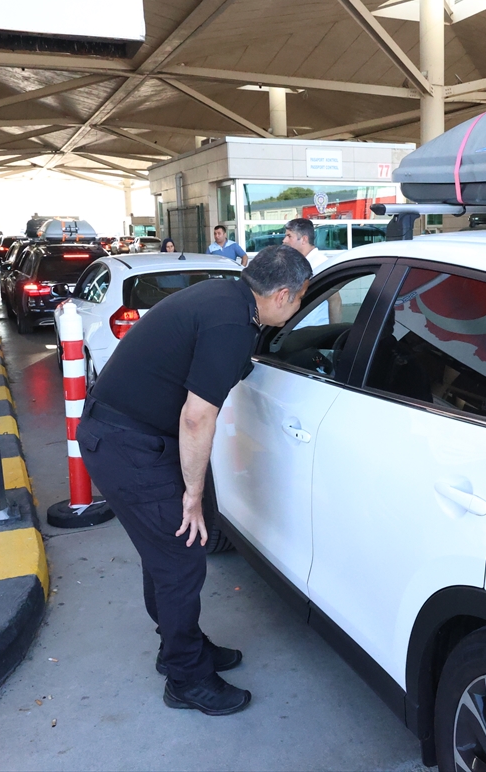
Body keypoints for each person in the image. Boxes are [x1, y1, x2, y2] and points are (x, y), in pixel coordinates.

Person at [76, 244, 311, 716]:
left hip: (126, 435)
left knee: (165, 553)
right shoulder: (230, 322)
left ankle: (182, 648)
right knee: (181, 557)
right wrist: (194, 494)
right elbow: (197, 417)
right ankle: (186, 677)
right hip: (127, 445)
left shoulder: (226, 299)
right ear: (283, 294)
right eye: (303, 298)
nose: (301, 307)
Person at [283, 218, 341, 325]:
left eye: (289, 236)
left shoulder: (320, 264)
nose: (284, 240)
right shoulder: (297, 262)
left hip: (312, 334)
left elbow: (335, 300)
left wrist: (334, 332)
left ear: (304, 239)